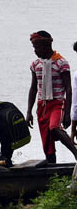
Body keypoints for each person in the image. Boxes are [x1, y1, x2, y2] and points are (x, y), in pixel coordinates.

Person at [27, 31, 77, 164]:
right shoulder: (35, 65)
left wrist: (67, 113)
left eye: (37, 47)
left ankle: (76, 154)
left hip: (57, 103)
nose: (35, 51)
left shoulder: (61, 63)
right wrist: (29, 112)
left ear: (47, 45)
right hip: (42, 106)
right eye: (34, 47)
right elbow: (33, 89)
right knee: (47, 142)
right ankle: (52, 170)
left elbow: (68, 89)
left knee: (54, 127)